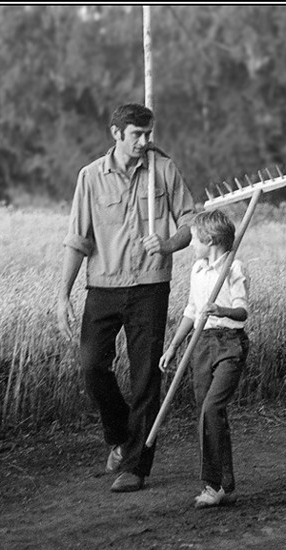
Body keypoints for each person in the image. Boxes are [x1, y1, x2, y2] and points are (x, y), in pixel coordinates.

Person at [56, 103, 196, 493]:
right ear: (115, 133)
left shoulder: (163, 170)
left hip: (151, 285)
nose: (145, 141)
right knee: (91, 365)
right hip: (102, 286)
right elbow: (77, 240)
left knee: (145, 376)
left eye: (148, 133)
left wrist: (167, 244)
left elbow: (190, 221)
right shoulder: (90, 177)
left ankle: (135, 465)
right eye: (136, 134)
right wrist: (62, 295)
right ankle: (120, 435)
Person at [160, 209, 250, 509]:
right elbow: (191, 310)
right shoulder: (198, 270)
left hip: (230, 344)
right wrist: (173, 346)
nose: (192, 246)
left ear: (210, 240)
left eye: (195, 240)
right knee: (204, 414)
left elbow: (242, 312)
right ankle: (216, 485)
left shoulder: (234, 268)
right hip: (202, 343)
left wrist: (221, 310)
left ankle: (218, 485)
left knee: (213, 408)